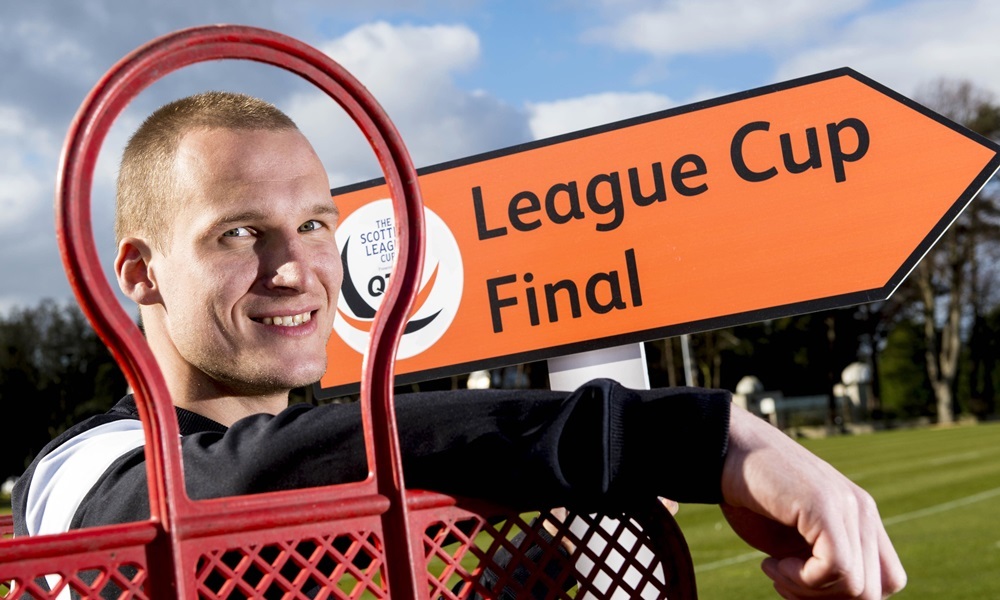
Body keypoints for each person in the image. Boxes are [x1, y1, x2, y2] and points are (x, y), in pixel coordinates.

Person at [13, 92, 905, 599]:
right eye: (240, 234)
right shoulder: (78, 475)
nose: (297, 268)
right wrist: (696, 437)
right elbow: (219, 489)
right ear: (139, 271)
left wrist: (553, 570)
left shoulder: (332, 477)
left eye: (316, 224)